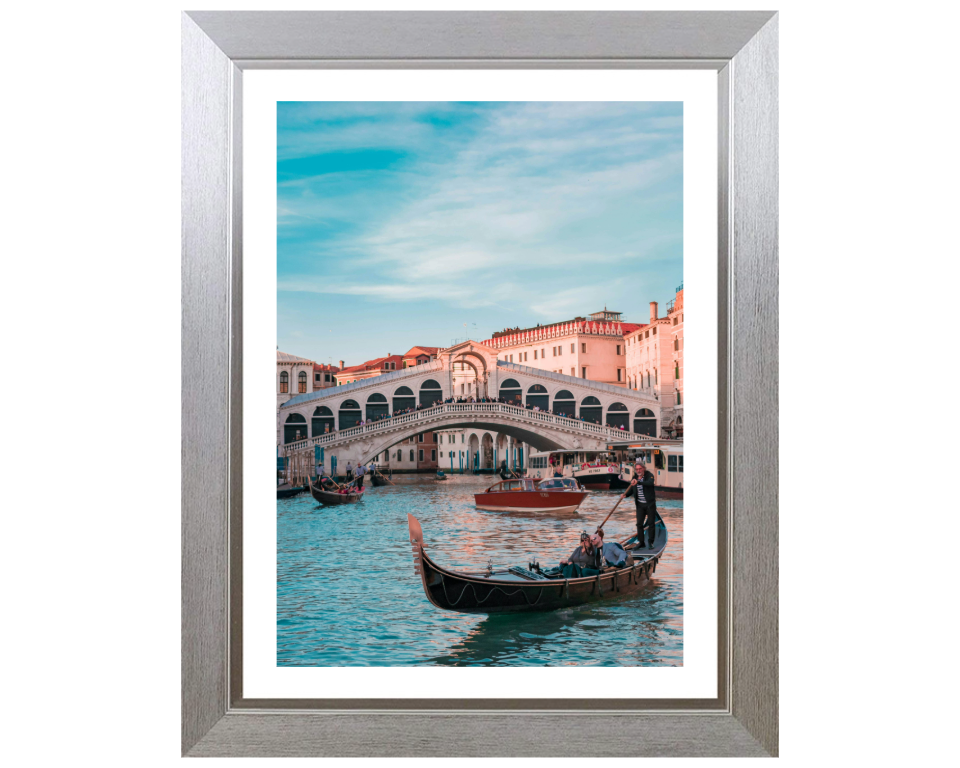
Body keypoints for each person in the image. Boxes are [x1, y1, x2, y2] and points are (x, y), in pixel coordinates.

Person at [620, 459, 657, 548]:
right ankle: (641, 542)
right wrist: (626, 495)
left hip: (650, 505)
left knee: (651, 523)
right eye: (637, 469)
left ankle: (651, 542)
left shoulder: (649, 475)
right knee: (639, 524)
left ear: (643, 468)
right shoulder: (634, 477)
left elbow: (649, 483)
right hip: (640, 505)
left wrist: (639, 482)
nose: (638, 471)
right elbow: (632, 490)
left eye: (640, 469)